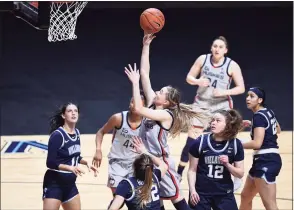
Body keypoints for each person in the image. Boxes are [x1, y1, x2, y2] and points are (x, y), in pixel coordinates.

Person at [124, 34, 206, 210]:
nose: (157, 92)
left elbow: (138, 109)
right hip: (146, 160)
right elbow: (145, 73)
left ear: (167, 102)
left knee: (178, 201)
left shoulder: (166, 115)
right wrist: (145, 45)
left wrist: (134, 83)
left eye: (161, 92)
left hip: (162, 163)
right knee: (155, 201)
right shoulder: (154, 102)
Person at [177, 36, 245, 187]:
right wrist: (197, 81)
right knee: (191, 141)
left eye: (221, 47)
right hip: (202, 104)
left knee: (227, 140)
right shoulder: (203, 59)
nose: (217, 49)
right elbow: (189, 77)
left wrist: (224, 91)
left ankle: (236, 174)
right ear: (211, 48)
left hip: (222, 105)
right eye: (215, 46)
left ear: (225, 50)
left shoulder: (232, 65)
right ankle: (179, 172)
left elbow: (241, 88)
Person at [42, 102, 98, 210]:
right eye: (69, 111)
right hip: (55, 184)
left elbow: (74, 156)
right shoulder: (57, 135)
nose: (73, 113)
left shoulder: (76, 132)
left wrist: (86, 163)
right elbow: (50, 162)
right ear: (63, 115)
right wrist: (70, 168)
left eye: (75, 111)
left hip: (70, 184)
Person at [188, 109, 245, 210]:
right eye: (213, 120)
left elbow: (240, 174)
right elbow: (192, 170)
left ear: (228, 125)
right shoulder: (200, 142)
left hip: (224, 194)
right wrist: (192, 190)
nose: (213, 123)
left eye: (218, 121)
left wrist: (227, 164)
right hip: (201, 194)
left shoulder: (236, 144)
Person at [92, 94, 146, 198]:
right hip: (117, 162)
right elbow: (101, 132)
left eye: (138, 104)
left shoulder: (146, 122)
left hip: (136, 163)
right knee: (118, 198)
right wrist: (98, 149)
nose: (134, 105)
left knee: (135, 199)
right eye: (132, 102)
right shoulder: (118, 118)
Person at [239, 87, 282, 210]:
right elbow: (278, 129)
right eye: (247, 95)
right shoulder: (268, 112)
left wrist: (236, 144)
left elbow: (257, 143)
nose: (247, 98)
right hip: (263, 160)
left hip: (266, 160)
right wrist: (255, 126)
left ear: (260, 100)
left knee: (269, 204)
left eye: (252, 96)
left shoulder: (258, 117)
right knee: (245, 196)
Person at [108, 136, 168, 210]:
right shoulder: (155, 176)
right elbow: (164, 165)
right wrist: (145, 152)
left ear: (134, 167)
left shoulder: (127, 185)